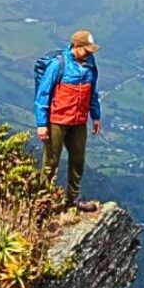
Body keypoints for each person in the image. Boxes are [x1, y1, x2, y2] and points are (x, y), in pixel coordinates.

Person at [35, 30, 102, 211]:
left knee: (78, 160)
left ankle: (73, 199)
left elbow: (92, 92)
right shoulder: (58, 64)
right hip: (57, 120)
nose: (89, 54)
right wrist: (42, 124)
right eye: (86, 50)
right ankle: (42, 203)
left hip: (79, 121)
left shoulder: (90, 65)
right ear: (76, 46)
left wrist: (96, 116)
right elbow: (43, 94)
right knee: (51, 162)